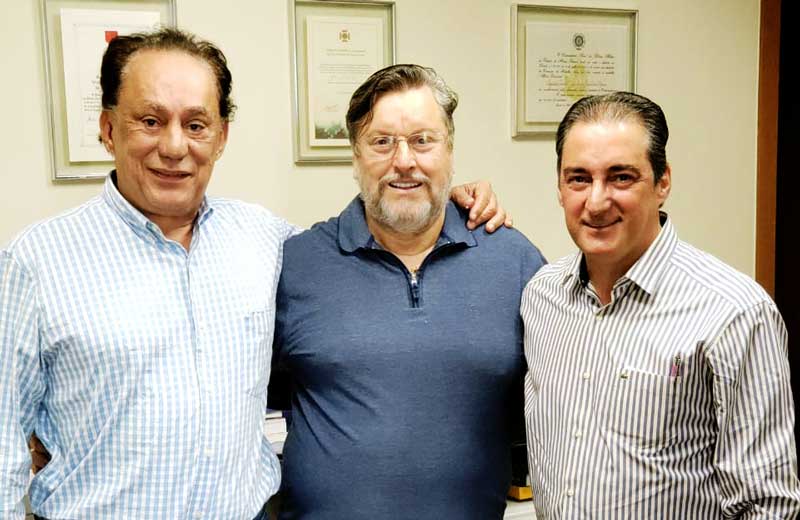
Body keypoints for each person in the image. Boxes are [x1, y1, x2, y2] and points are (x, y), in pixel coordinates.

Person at [0, 29, 506, 519]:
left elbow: (376, 243)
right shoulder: (36, 262)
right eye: (150, 121)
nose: (174, 146)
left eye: (196, 125)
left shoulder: (267, 242)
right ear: (109, 129)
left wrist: (444, 202)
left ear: (221, 137)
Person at [268, 64, 546, 519]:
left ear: (449, 151)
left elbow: (553, 402)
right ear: (355, 156)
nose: (404, 161)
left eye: (422, 140)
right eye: (382, 142)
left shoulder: (513, 261)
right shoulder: (296, 266)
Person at [521, 91, 800, 517]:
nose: (596, 201)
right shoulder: (542, 297)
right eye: (579, 178)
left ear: (662, 182)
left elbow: (767, 505)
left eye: (621, 177)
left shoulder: (734, 312)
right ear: (560, 187)